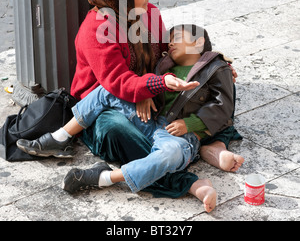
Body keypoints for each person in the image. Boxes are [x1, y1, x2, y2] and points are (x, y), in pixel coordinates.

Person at [59, 24, 243, 213]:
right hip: (150, 119)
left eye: (177, 37)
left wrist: (189, 124)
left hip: (178, 135)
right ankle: (61, 136)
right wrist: (143, 93)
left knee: (170, 155)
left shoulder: (217, 69)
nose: (170, 43)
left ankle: (104, 178)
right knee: (108, 90)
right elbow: (144, 82)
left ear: (198, 42)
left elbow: (224, 106)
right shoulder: (163, 65)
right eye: (169, 39)